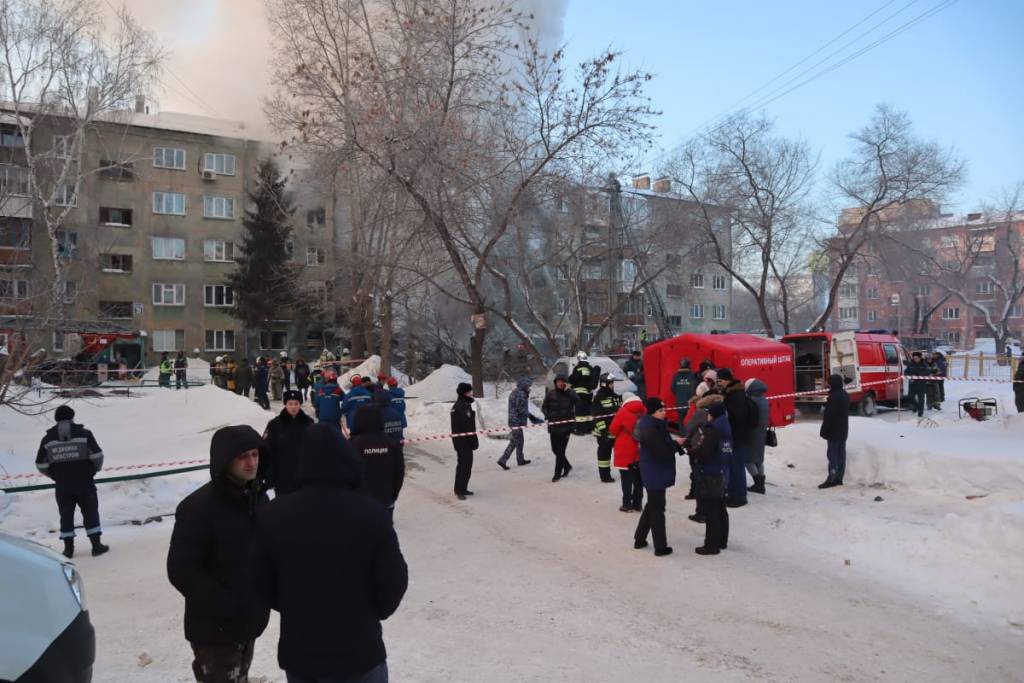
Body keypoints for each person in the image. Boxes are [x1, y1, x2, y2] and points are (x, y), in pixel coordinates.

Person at [249, 424, 408, 683]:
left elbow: (259, 581)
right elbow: (394, 579)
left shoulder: (273, 515)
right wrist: (368, 612)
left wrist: (294, 604)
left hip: (301, 650)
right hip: (360, 649)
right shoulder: (371, 513)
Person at [167, 425, 271, 683]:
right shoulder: (198, 508)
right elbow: (182, 570)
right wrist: (229, 606)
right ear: (226, 459)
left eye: (255, 455)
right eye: (242, 456)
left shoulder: (258, 499)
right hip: (214, 630)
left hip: (249, 622)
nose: (251, 463)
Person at [35, 405, 109, 559]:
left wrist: (54, 475)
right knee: (90, 511)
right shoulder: (84, 434)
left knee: (66, 514)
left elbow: (40, 464)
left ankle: (68, 550)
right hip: (85, 481)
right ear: (72, 417)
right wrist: (93, 470)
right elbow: (97, 456)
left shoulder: (47, 439)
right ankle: (96, 546)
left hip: (63, 484)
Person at [633, 397, 685, 557]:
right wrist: (676, 445)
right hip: (653, 471)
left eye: (664, 410)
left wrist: (676, 443)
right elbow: (661, 451)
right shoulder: (650, 428)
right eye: (660, 411)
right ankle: (660, 547)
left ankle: (639, 538)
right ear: (652, 412)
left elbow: (662, 445)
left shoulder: (655, 425)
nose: (664, 413)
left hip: (655, 471)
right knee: (657, 508)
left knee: (653, 504)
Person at [350, 401, 406, 521]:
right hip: (386, 500)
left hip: (359, 502)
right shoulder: (391, 443)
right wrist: (393, 494)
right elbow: (399, 471)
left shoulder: (352, 445)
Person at [688, 402, 732, 555]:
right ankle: (722, 540)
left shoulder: (713, 430)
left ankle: (711, 545)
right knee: (720, 508)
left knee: (712, 511)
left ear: (712, 414)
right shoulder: (726, 427)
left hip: (710, 472)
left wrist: (693, 453)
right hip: (722, 471)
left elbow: (705, 452)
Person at [683, 384, 724, 518]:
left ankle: (700, 511)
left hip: (699, 446)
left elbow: (689, 426)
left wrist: (688, 443)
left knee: (699, 476)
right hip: (716, 452)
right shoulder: (722, 409)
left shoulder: (700, 410)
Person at [263, 389, 314, 495]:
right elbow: (267, 450)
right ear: (285, 405)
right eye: (290, 403)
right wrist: (269, 475)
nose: (293, 407)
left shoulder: (308, 423)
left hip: (303, 475)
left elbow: (315, 449)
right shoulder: (274, 424)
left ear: (300, 405)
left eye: (296, 403)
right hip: (282, 475)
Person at [717, 368, 753, 508]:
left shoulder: (735, 396)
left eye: (720, 381)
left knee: (736, 467)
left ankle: (740, 496)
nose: (719, 383)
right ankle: (732, 493)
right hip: (734, 437)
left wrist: (724, 416)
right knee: (731, 467)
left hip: (737, 437)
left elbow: (737, 417)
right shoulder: (731, 394)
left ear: (727, 380)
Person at [609, 393, 645, 512]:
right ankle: (638, 503)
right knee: (639, 479)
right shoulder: (645, 410)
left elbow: (613, 430)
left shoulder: (622, 412)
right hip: (641, 449)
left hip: (625, 449)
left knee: (626, 479)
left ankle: (627, 504)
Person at [498, 377, 543, 470]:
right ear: (524, 386)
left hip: (515, 420)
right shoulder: (520, 394)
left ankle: (520, 459)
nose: (529, 388)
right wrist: (532, 418)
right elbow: (521, 409)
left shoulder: (517, 392)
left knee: (520, 440)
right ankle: (503, 459)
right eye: (528, 386)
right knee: (515, 441)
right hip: (516, 421)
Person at [542, 374, 577, 482]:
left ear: (565, 383)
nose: (560, 383)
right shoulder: (551, 394)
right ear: (555, 383)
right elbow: (544, 406)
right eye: (558, 382)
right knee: (555, 449)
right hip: (554, 426)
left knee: (561, 451)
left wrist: (569, 391)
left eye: (562, 382)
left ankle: (557, 473)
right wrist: (547, 414)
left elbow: (578, 401)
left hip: (566, 427)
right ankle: (567, 466)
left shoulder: (570, 394)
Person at [819, 373, 850, 489]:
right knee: (841, 455)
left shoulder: (834, 396)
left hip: (833, 431)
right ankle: (839, 478)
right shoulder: (845, 395)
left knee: (832, 455)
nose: (827, 384)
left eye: (829, 382)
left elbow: (830, 415)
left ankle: (831, 478)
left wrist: (824, 430)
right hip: (843, 430)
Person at [591, 373, 622, 483]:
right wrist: (603, 432)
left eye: (613, 383)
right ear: (604, 384)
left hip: (615, 431)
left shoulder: (614, 396)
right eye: (611, 383)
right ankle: (605, 476)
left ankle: (624, 472)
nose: (613, 385)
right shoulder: (599, 397)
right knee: (604, 455)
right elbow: (598, 417)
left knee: (621, 453)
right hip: (604, 433)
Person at [451, 382, 479, 500]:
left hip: (465, 441)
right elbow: (467, 426)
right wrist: (473, 441)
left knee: (467, 465)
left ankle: (463, 488)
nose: (471, 394)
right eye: (469, 392)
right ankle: (459, 490)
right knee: (463, 466)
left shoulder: (465, 405)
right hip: (462, 442)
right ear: (464, 393)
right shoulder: (460, 407)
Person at [745, 378, 770, 495]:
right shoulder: (764, 400)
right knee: (759, 459)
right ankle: (761, 483)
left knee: (748, 459)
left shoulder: (751, 401)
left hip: (751, 434)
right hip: (761, 433)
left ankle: (758, 483)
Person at [568, 351, 597, 435]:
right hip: (588, 393)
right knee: (587, 411)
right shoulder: (590, 368)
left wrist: (570, 379)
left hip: (579, 393)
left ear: (579, 359)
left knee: (579, 412)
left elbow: (574, 379)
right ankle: (589, 429)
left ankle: (580, 430)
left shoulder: (578, 367)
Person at [906, 351, 930, 418]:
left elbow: (927, 372)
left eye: (916, 358)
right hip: (912, 384)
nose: (915, 359)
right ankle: (916, 407)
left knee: (921, 399)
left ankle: (920, 412)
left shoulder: (924, 364)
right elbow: (906, 371)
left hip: (921, 384)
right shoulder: (910, 364)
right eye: (914, 358)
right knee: (910, 397)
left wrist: (919, 375)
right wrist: (908, 375)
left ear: (920, 358)